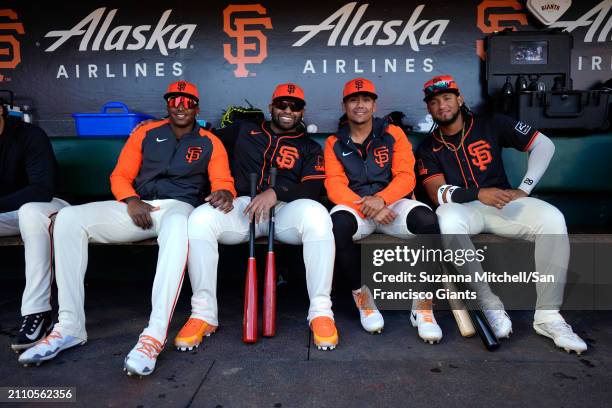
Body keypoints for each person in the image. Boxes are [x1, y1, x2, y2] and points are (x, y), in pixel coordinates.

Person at [18, 80, 237, 375]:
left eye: (187, 102)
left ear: (196, 107)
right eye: (175, 100)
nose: (181, 106)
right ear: (167, 104)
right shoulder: (145, 133)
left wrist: (225, 192)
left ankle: (154, 335)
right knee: (69, 219)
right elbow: (120, 175)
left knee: (178, 226)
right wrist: (131, 200)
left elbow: (223, 181)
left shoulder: (210, 141)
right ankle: (68, 326)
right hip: (138, 207)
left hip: (179, 207)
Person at [416, 74, 587, 354]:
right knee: (445, 217)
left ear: (459, 99)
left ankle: (548, 316)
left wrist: (526, 188)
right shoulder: (428, 146)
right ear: (429, 108)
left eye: (447, 98)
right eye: (434, 101)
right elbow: (437, 193)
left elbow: (544, 144)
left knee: (553, 218)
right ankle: (488, 303)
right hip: (464, 210)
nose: (441, 105)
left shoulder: (491, 123)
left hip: (503, 204)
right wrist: (477, 193)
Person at [174, 83, 338, 351]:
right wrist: (152, 127)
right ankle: (202, 314)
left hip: (285, 210)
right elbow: (202, 137)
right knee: (200, 219)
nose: (288, 110)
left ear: (301, 112)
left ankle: (321, 312)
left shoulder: (309, 147)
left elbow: (313, 187)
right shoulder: (242, 130)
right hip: (242, 207)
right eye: (282, 105)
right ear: (270, 107)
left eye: (294, 106)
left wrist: (277, 191)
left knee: (319, 216)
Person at [325, 78, 442, 343]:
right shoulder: (334, 141)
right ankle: (363, 299)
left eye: (366, 99)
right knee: (338, 225)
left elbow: (405, 177)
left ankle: (422, 307)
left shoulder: (393, 133)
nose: (360, 105)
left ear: (374, 105)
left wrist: (381, 199)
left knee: (427, 220)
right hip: (357, 205)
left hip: (393, 203)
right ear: (344, 105)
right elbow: (334, 185)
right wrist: (368, 206)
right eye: (353, 99)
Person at [0, 101, 69, 351]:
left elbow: (41, 190)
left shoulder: (28, 136)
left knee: (30, 213)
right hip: (6, 215)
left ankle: (37, 313)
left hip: (54, 208)